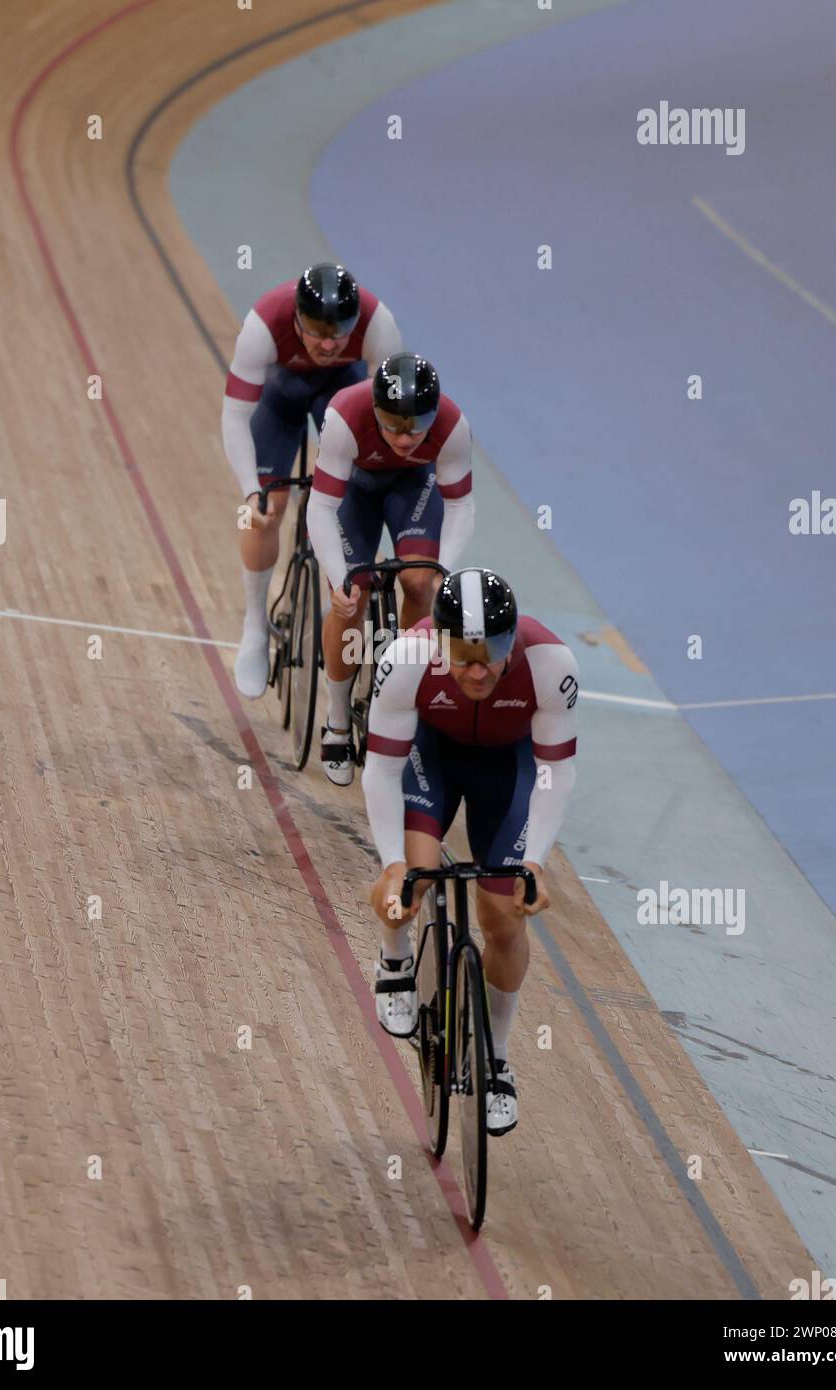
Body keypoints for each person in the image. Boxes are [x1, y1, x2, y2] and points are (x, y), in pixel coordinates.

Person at [361, 569, 579, 1135]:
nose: (479, 669)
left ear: (514, 641)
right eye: (463, 654)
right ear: (438, 642)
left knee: (504, 917)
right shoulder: (407, 658)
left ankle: (497, 1058)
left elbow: (555, 771)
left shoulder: (552, 664)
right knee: (412, 883)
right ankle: (394, 957)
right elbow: (383, 769)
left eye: (494, 652)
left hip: (508, 771)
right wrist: (392, 865)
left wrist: (534, 864)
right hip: (431, 758)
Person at [222, 263, 401, 698]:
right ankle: (254, 626)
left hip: (344, 393)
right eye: (315, 331)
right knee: (265, 513)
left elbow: (386, 421)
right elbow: (236, 415)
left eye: (337, 334)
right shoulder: (263, 325)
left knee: (346, 506)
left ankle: (333, 599)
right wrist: (251, 491)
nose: (326, 343)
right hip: (280, 396)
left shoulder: (379, 324)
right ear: (295, 319)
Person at [306, 352, 475, 786]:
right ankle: (338, 717)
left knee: (421, 581)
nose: (405, 438)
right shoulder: (346, 413)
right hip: (353, 494)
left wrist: (442, 569)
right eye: (394, 425)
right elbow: (322, 506)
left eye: (416, 426)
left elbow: (460, 506)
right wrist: (337, 576)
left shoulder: (453, 425)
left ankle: (403, 690)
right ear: (376, 410)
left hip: (414, 490)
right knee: (350, 597)